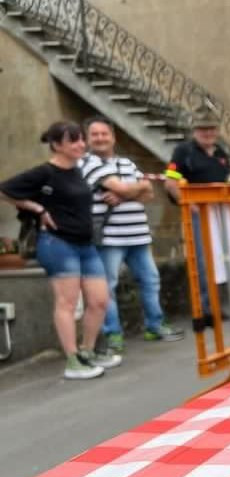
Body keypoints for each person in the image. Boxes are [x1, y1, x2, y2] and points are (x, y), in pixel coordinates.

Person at [0, 122, 121, 379]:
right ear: (57, 145)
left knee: (99, 300)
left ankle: (87, 351)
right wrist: (38, 209)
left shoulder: (77, 171)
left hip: (85, 245)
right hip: (58, 244)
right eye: (73, 140)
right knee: (66, 302)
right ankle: (73, 361)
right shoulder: (45, 172)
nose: (81, 144)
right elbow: (5, 189)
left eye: (80, 140)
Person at [81, 116, 183, 354]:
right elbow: (134, 188)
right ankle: (113, 334)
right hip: (108, 238)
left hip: (138, 234)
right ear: (87, 139)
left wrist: (125, 193)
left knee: (151, 280)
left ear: (113, 137)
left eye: (104, 133)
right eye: (94, 134)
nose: (100, 138)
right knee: (108, 287)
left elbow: (149, 194)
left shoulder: (127, 163)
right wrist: (131, 190)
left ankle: (155, 326)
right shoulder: (87, 163)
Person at [164, 103, 230, 330]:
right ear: (194, 131)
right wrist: (187, 203)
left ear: (217, 131)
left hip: (220, 214)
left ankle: (217, 306)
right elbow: (170, 183)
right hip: (197, 214)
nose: (208, 133)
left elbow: (228, 183)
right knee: (202, 261)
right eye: (203, 129)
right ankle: (203, 310)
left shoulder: (221, 154)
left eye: (211, 129)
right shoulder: (183, 152)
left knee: (222, 258)